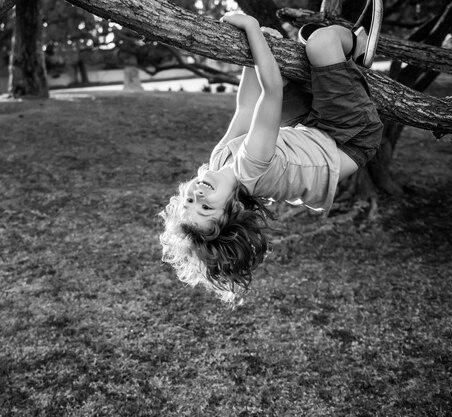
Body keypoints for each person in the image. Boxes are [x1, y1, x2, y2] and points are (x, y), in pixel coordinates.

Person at [159, 0, 384, 304]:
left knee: (284, 57)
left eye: (189, 202)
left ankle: (321, 55)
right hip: (350, 138)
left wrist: (258, 48)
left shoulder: (219, 161)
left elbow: (246, 107)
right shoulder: (251, 167)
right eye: (207, 208)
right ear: (234, 208)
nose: (197, 197)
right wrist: (251, 27)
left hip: (312, 128)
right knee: (320, 43)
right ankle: (358, 43)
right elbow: (272, 91)